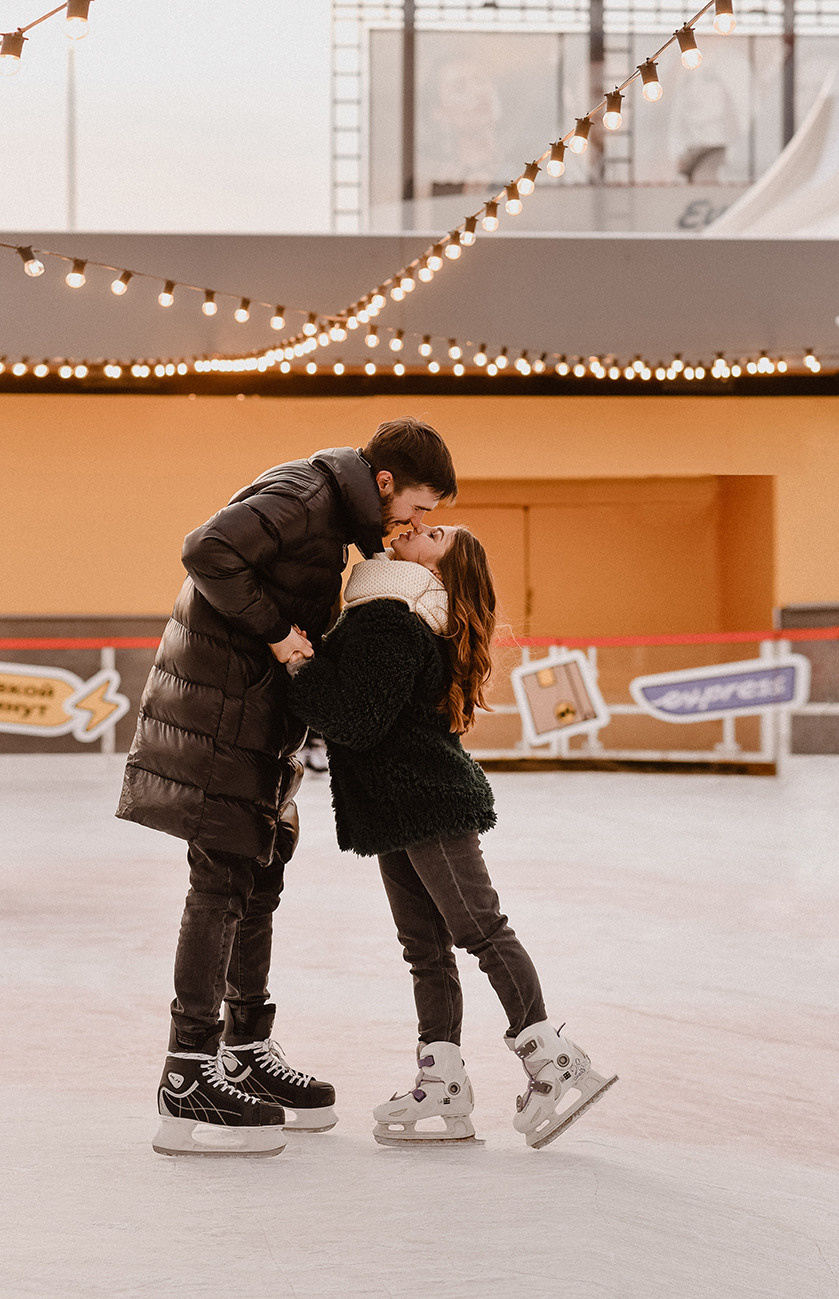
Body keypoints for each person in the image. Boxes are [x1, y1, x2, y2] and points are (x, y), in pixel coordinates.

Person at [116, 418, 458, 1157]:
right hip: (220, 710)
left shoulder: (332, 512)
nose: (418, 523)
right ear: (388, 483)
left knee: (260, 869)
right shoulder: (306, 492)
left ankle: (242, 1048)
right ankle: (187, 1072)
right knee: (221, 877)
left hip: (254, 713)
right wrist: (277, 632)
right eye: (419, 506)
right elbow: (205, 547)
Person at [279, 524, 617, 1149]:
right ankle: (443, 1083)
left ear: (443, 571)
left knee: (480, 929)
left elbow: (353, 718)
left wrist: (299, 661)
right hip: (395, 807)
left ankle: (554, 1061)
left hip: (425, 802)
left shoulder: (400, 621)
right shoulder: (400, 614)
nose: (415, 530)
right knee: (424, 950)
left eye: (433, 533)